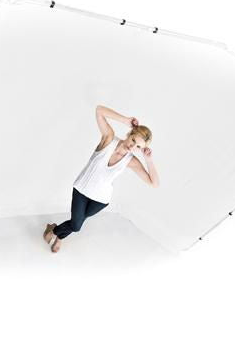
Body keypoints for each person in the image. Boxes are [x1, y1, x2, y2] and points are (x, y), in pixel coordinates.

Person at [43, 104, 160, 253]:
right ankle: (54, 231)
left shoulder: (131, 161)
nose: (132, 147)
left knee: (76, 222)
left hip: (100, 200)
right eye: (133, 140)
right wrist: (125, 120)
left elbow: (154, 183)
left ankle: (58, 235)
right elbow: (99, 110)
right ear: (129, 134)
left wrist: (148, 160)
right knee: (76, 225)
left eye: (138, 147)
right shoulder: (109, 139)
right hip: (82, 189)